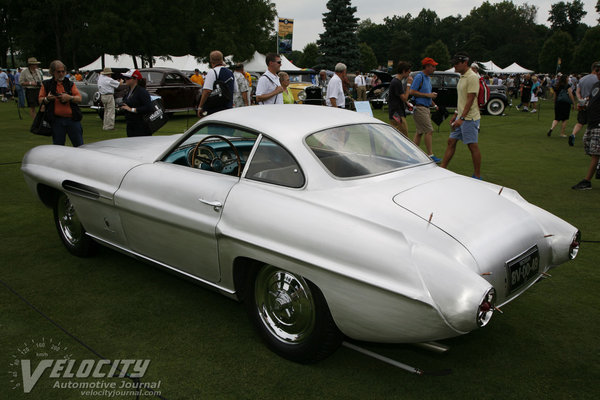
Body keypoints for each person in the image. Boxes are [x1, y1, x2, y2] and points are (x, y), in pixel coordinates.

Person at [440, 52, 482, 179]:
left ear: (465, 62)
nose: (455, 66)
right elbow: (462, 99)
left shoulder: (472, 77)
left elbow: (470, 99)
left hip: (469, 118)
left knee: (472, 146)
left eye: (457, 63)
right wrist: (456, 114)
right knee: (451, 141)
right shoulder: (462, 76)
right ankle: (442, 169)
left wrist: (462, 118)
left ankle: (477, 175)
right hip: (461, 117)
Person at [38, 60, 83, 147]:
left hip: (72, 120)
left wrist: (69, 98)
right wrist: (47, 99)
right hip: (56, 121)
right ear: (53, 72)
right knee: (58, 147)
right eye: (58, 72)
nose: (61, 74)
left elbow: (79, 98)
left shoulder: (70, 84)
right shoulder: (46, 84)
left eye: (63, 71)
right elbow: (40, 100)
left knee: (79, 146)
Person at [571, 66, 600, 190]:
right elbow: (592, 99)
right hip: (591, 121)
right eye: (597, 71)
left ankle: (587, 181)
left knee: (595, 152)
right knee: (587, 145)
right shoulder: (596, 85)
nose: (598, 73)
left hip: (599, 123)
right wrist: (584, 104)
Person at [410, 57, 440, 162]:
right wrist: (429, 95)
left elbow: (427, 95)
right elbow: (412, 92)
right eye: (433, 66)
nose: (434, 68)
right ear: (427, 66)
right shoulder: (419, 77)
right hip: (419, 108)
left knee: (419, 132)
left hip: (425, 108)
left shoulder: (427, 78)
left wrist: (434, 104)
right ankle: (430, 155)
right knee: (429, 130)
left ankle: (412, 154)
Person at [569, 62, 600, 147]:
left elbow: (577, 92)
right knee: (593, 124)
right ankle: (592, 141)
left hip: (583, 104)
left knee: (580, 122)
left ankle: (573, 134)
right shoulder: (597, 79)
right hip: (595, 106)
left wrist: (581, 100)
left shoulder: (582, 79)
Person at [197, 50, 235, 116]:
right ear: (222, 59)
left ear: (211, 60)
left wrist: (200, 106)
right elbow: (235, 90)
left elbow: (207, 91)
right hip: (228, 108)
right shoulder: (230, 72)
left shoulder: (212, 72)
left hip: (215, 109)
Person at [120, 69, 153, 137]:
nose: (125, 79)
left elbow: (148, 107)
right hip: (130, 124)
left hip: (141, 126)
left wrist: (131, 109)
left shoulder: (142, 92)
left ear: (135, 79)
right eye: (125, 78)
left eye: (128, 78)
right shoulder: (128, 91)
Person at [388, 61, 412, 136]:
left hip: (394, 113)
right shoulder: (397, 82)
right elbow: (404, 98)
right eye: (408, 72)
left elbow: (398, 97)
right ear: (404, 71)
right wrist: (408, 84)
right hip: (397, 114)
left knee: (394, 137)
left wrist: (406, 103)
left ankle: (384, 148)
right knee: (404, 137)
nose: (409, 74)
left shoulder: (396, 81)